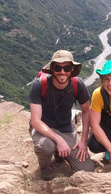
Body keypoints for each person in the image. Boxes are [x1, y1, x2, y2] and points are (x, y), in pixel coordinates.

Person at [28, 50, 95, 180]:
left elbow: (87, 110)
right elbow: (35, 121)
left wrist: (83, 140)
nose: (62, 72)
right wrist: (59, 140)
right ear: (52, 69)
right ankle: (46, 166)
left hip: (66, 128)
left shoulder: (78, 84)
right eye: (58, 67)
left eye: (67, 68)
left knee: (87, 171)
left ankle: (60, 153)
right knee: (45, 146)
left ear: (72, 69)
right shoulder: (39, 85)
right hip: (43, 127)